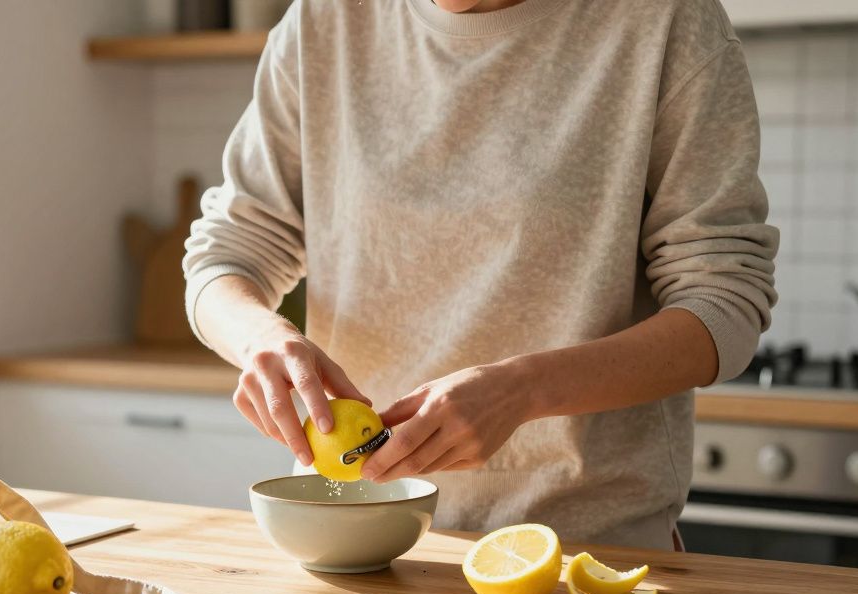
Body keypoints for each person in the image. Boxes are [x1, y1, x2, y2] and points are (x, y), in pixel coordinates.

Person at [182, 0, 778, 550]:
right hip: (352, 538)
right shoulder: (325, 20)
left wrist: (525, 390)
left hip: (579, 548)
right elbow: (227, 252)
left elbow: (723, 305)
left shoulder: (662, 19)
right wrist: (261, 338)